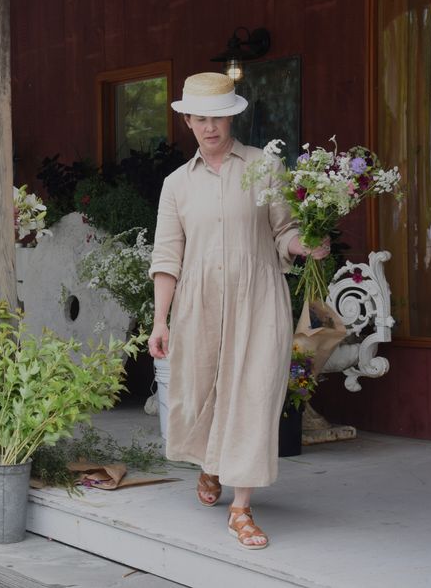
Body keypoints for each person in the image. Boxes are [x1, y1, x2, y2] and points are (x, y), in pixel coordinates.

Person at [147, 72, 329, 551]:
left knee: (256, 392)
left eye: (220, 117)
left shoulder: (264, 168)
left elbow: (283, 230)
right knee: (202, 388)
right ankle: (210, 463)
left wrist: (306, 245)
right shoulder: (176, 185)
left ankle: (241, 506)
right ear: (187, 120)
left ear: (233, 117)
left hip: (259, 297)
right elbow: (167, 256)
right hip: (199, 302)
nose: (211, 127)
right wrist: (160, 321)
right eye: (201, 117)